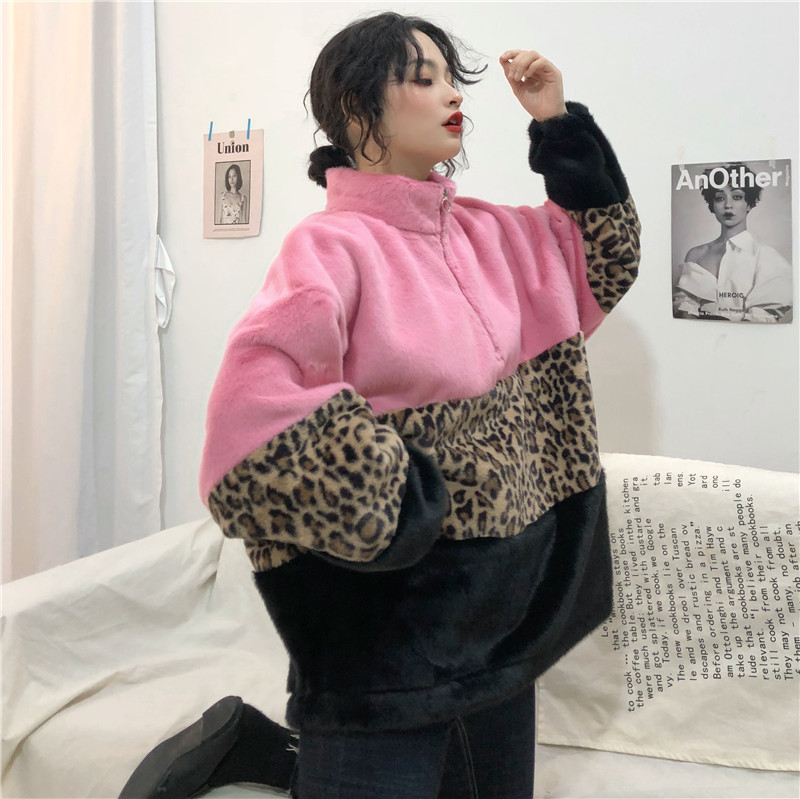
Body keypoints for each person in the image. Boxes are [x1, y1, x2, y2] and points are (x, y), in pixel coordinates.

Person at [120, 11, 640, 799]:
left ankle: (266, 754)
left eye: (453, 79)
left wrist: (557, 125)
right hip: (385, 641)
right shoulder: (331, 247)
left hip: (502, 630)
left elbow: (606, 256)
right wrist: (400, 507)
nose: (452, 96)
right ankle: (259, 755)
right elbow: (250, 426)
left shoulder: (496, 236)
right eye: (423, 79)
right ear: (358, 112)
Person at [673, 162, 792, 322]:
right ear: (712, 204)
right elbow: (684, 309)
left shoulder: (768, 258)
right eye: (720, 198)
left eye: (737, 197)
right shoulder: (695, 255)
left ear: (749, 204)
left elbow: (763, 317)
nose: (728, 205)